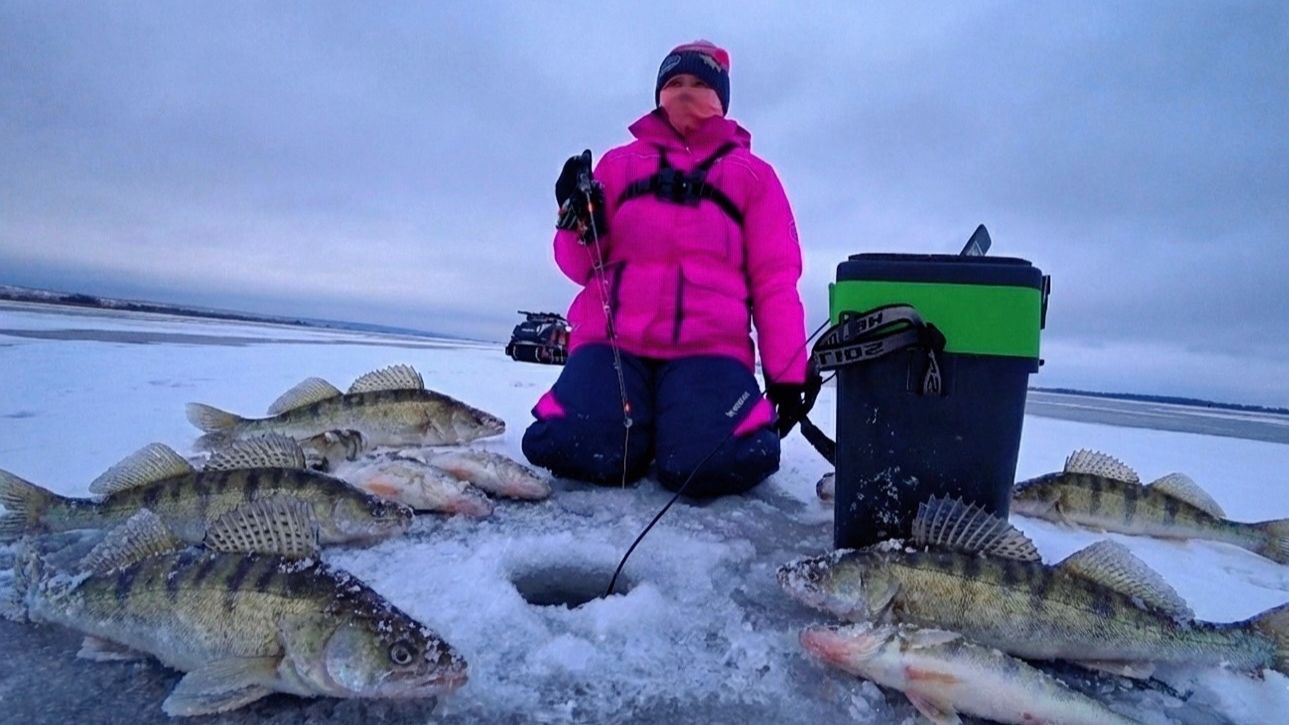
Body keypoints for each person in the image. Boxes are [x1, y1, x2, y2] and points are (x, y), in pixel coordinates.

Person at [521, 40, 809, 498]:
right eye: (675, 83)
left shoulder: (755, 176)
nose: (685, 93)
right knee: (575, 447)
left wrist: (788, 373)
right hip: (611, 343)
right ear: (658, 93)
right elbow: (579, 266)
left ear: (722, 97)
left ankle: (678, 425)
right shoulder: (616, 165)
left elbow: (776, 280)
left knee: (715, 465)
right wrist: (573, 218)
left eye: (699, 83)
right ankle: (637, 425)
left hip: (709, 348)